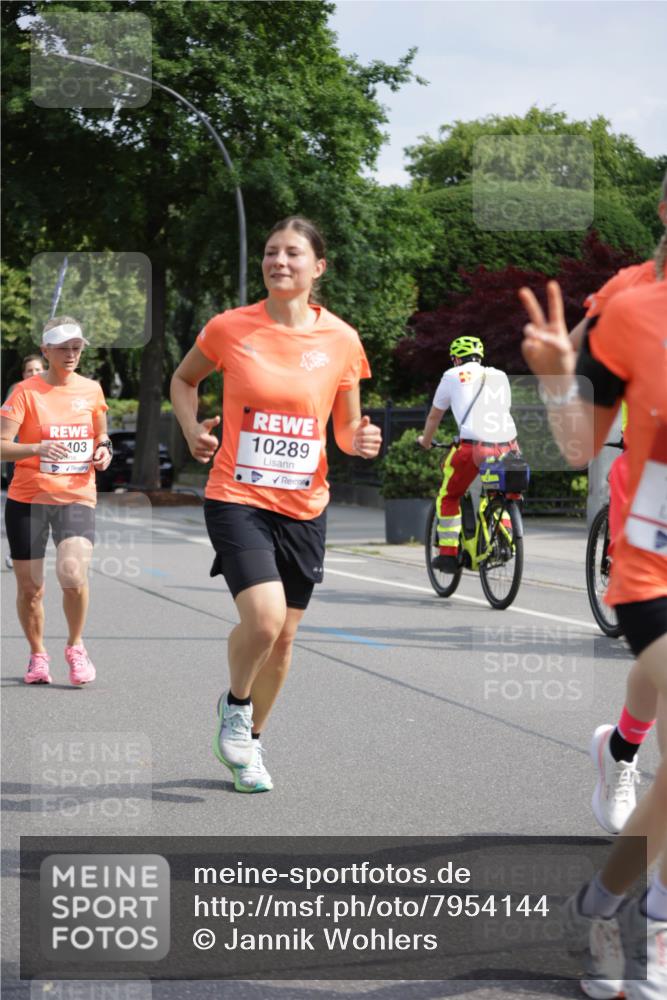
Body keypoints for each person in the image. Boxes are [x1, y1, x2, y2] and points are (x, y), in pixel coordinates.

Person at [170, 216, 381, 794]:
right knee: (262, 621)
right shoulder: (229, 328)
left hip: (306, 504)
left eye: (292, 253)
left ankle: (251, 747)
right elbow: (183, 381)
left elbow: (342, 430)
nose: (278, 262)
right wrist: (191, 430)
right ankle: (235, 708)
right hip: (237, 494)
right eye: (270, 253)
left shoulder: (341, 339)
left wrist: (359, 441)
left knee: (284, 638)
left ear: (319, 267)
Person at [520, 242, 667, 997]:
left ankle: (601, 904)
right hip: (653, 560)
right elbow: (580, 446)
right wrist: (553, 379)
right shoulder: (634, 309)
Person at [0, 317, 112, 685]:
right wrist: (37, 447)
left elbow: (100, 432)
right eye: (62, 347)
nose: (70, 354)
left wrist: (103, 449)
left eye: (76, 347)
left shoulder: (92, 390)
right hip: (28, 498)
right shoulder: (25, 392)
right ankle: (37, 655)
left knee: (72, 574)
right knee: (31, 589)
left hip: (76, 495)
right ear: (45, 350)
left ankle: (75, 647)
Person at [418, 335, 519, 572]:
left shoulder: (452, 376)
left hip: (474, 447)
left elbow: (435, 415)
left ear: (455, 359)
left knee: (449, 496)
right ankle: (505, 538)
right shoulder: (500, 376)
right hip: (509, 447)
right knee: (500, 494)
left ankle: (448, 555)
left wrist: (426, 441)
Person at [3, 355, 46, 569]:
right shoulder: (18, 390)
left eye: (38, 369)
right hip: (20, 454)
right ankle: (19, 549)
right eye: (30, 370)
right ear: (23, 374)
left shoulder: (52, 391)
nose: (34, 373)